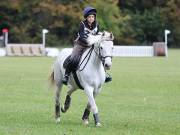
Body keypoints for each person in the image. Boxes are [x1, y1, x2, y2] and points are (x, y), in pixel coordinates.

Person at [62, 6, 112, 85]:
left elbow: (97, 34)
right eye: (90, 17)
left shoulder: (97, 24)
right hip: (81, 44)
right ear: (86, 17)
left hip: (92, 45)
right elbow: (82, 36)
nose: (91, 18)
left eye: (93, 17)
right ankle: (66, 75)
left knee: (101, 56)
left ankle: (104, 75)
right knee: (74, 58)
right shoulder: (82, 24)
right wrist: (91, 41)